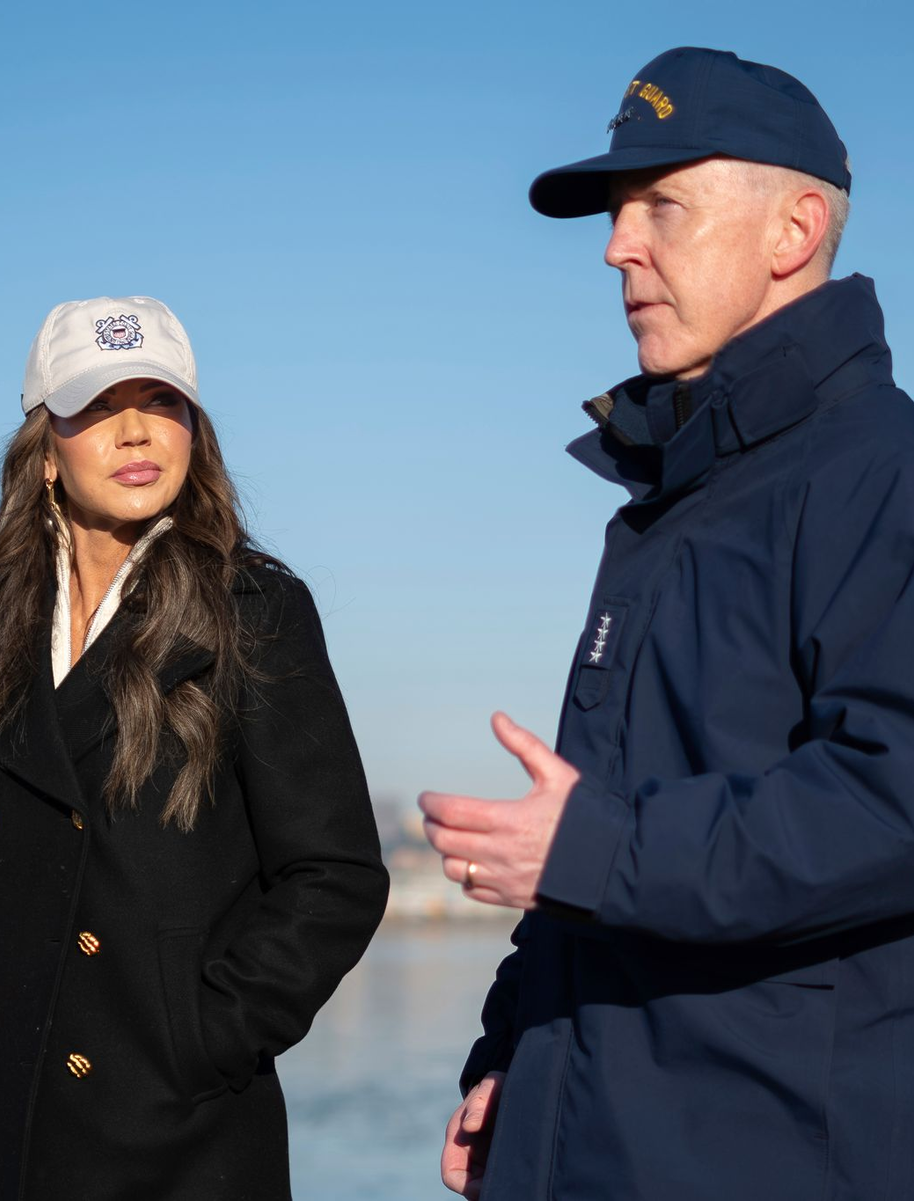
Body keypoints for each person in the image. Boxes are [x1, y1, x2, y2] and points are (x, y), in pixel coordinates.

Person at [420, 47, 914, 1200]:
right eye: (615, 213)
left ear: (792, 231)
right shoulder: (677, 498)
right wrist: (515, 1058)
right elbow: (597, 826)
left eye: (660, 207)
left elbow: (895, 797)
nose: (615, 247)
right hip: (594, 1138)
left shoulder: (882, 474)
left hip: (770, 1155)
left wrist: (591, 850)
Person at [0, 295, 389, 1201]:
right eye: (97, 404)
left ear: (193, 431)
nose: (136, 430)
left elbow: (337, 874)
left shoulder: (251, 610)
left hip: (175, 1130)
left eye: (161, 402)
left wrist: (199, 1037)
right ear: (46, 447)